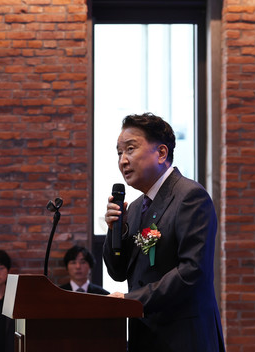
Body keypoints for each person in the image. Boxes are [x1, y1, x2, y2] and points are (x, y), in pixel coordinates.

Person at [103, 113, 225, 352]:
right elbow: (118, 273)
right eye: (119, 153)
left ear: (161, 153)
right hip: (145, 338)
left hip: (183, 339)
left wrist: (130, 301)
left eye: (130, 149)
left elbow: (192, 273)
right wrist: (117, 230)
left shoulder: (190, 196)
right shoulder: (135, 208)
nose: (123, 161)